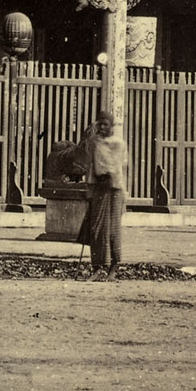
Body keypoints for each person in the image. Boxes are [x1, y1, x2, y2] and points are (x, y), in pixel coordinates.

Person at [76, 111, 129, 276]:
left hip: (115, 189)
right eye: (101, 124)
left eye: (106, 124)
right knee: (97, 228)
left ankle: (114, 265)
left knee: (113, 229)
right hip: (99, 188)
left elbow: (123, 167)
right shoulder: (94, 143)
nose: (103, 127)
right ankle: (98, 266)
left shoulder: (119, 144)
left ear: (112, 125)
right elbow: (88, 163)